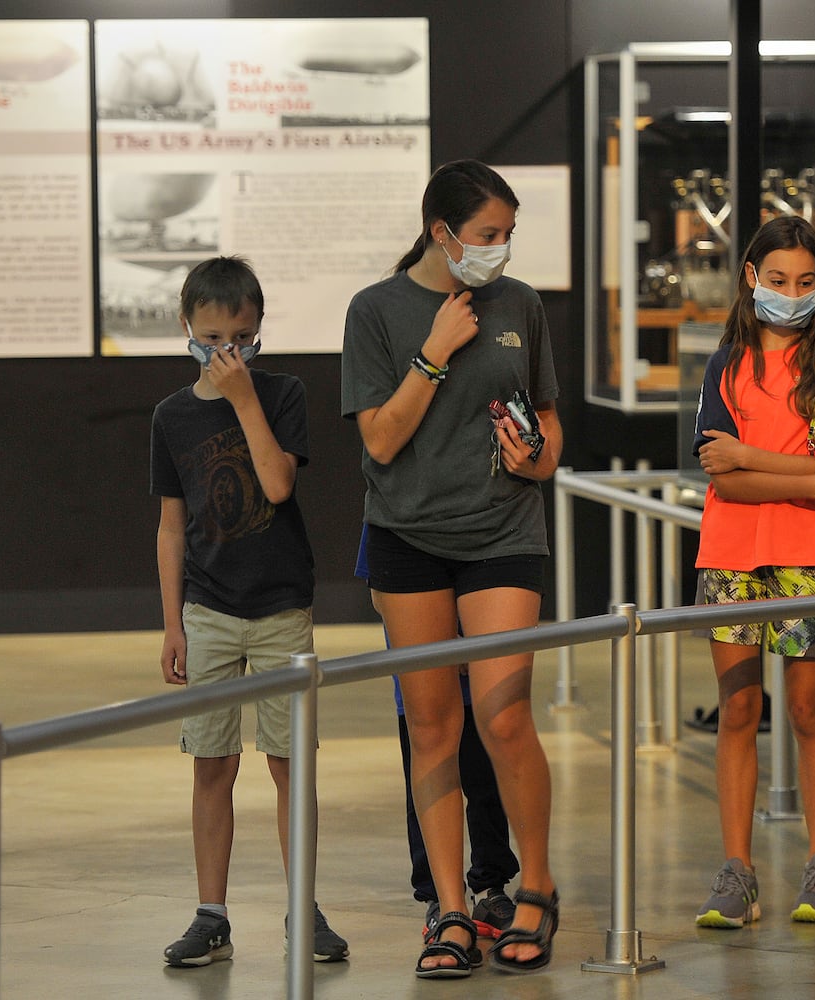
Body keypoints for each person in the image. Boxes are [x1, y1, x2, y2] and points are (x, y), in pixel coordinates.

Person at [340, 159, 563, 977]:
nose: (499, 250)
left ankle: (534, 887)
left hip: (504, 530)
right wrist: (432, 356)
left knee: (504, 719)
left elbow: (548, 422)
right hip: (408, 537)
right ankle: (452, 909)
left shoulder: (523, 305)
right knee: (431, 727)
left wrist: (536, 459)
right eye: (486, 236)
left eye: (507, 235)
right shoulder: (377, 310)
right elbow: (380, 440)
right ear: (442, 233)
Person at [151, 255, 348, 967]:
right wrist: (173, 622)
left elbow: (276, 483)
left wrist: (242, 400)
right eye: (211, 338)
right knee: (211, 764)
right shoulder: (171, 416)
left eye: (240, 337)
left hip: (280, 607)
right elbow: (172, 527)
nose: (225, 352)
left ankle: (305, 905)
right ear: (187, 330)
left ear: (258, 332)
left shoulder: (282, 394)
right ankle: (212, 914)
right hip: (207, 610)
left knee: (292, 765)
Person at [691, 216, 815, 929]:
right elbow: (720, 478)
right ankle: (737, 871)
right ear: (750, 278)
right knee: (738, 709)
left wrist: (750, 458)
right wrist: (805, 471)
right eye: (777, 280)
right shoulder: (723, 364)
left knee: (805, 710)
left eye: (805, 283)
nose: (791, 294)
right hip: (729, 552)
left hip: (809, 556)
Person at [354, 526, 519, 942]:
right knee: (426, 785)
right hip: (422, 684)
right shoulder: (390, 504)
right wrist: (446, 643)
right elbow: (380, 590)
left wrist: (472, 646)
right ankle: (438, 898)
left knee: (485, 786)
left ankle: (491, 887)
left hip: (478, 680)